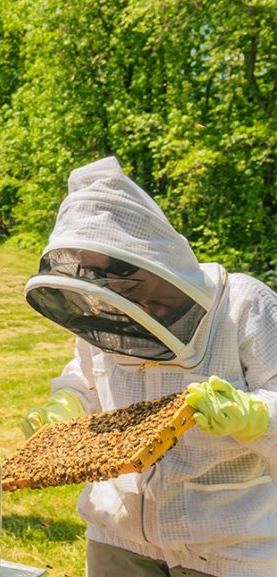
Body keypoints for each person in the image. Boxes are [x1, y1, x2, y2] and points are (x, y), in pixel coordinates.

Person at [21, 156, 276, 577]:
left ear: (149, 250)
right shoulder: (104, 312)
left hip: (230, 548)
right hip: (117, 539)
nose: (111, 285)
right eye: (94, 272)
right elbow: (86, 378)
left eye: (118, 269)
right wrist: (66, 403)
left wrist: (252, 416)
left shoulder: (245, 306)